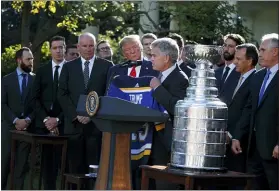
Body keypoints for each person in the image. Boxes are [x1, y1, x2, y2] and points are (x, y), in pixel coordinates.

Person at [58, 32, 113, 182]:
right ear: (78, 47)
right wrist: (76, 115)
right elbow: (62, 94)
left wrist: (91, 114)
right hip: (74, 126)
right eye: (85, 46)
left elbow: (108, 94)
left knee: (94, 172)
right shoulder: (68, 67)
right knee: (74, 170)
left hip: (96, 126)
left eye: (91, 46)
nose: (88, 49)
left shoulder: (107, 66)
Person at [232, 33, 279, 190]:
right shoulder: (258, 77)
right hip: (254, 149)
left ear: (275, 51)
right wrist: (237, 136)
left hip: (274, 150)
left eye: (263, 49)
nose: (259, 54)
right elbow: (249, 109)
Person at [149, 37, 189, 189]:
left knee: (166, 185)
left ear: (166, 58)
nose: (151, 58)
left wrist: (158, 89)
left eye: (154, 55)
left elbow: (178, 107)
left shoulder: (180, 78)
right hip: (155, 138)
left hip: (169, 142)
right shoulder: (160, 75)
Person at [32, 35, 66, 189]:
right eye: (55, 48)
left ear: (65, 48)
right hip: (44, 126)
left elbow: (73, 100)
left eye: (61, 47)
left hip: (65, 125)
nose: (58, 51)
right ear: (50, 50)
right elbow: (34, 98)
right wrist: (47, 120)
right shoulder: (42, 71)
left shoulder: (72, 69)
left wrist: (58, 120)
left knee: (65, 166)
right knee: (47, 168)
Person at [1, 47, 35, 189]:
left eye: (32, 59)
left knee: (21, 168)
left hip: (27, 130)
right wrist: (15, 120)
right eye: (28, 59)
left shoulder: (35, 80)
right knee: (3, 165)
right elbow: (2, 104)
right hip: (8, 128)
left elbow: (37, 105)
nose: (31, 62)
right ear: (19, 60)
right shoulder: (6, 80)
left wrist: (27, 120)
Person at [225, 43, 258, 175]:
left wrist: (233, 135)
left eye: (238, 59)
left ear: (249, 60)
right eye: (235, 58)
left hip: (241, 142)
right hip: (227, 139)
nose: (235, 62)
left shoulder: (256, 80)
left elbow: (246, 112)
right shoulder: (235, 77)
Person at [215, 34, 245, 106]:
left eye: (230, 46)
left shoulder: (242, 73)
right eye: (225, 45)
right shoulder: (216, 72)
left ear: (238, 50)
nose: (226, 49)